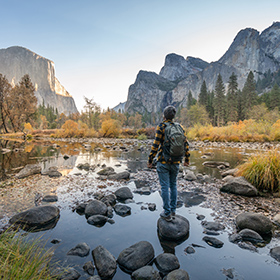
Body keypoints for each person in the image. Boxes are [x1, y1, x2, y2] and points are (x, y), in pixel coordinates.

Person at [147, 105, 190, 222]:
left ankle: (166, 213)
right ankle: (173, 211)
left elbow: (155, 145)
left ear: (164, 115)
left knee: (165, 186)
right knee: (173, 185)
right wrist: (187, 159)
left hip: (163, 161)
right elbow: (186, 144)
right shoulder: (179, 127)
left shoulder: (161, 126)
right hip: (176, 162)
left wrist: (150, 160)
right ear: (173, 116)